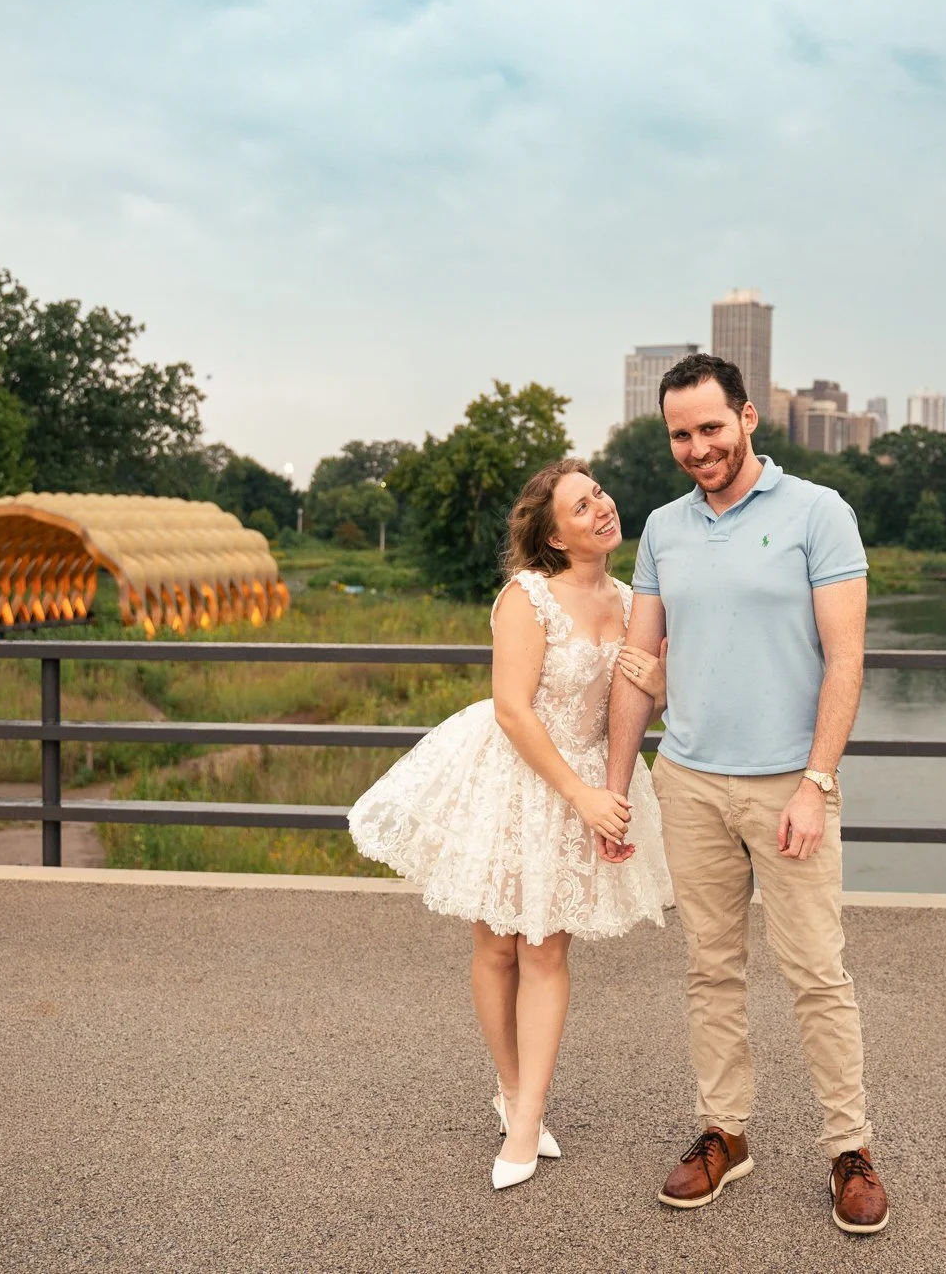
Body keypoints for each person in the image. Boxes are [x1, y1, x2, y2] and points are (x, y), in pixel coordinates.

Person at [606, 354, 890, 1235]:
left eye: (711, 429)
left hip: (787, 785)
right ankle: (725, 1133)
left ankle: (851, 1148)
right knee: (710, 968)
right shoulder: (662, 527)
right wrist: (615, 790)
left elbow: (845, 658)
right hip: (687, 781)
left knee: (815, 972)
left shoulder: (818, 512)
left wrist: (816, 782)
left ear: (749, 417)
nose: (697, 448)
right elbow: (640, 666)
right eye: (681, 435)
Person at [350, 458, 673, 1191]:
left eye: (600, 495)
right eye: (581, 505)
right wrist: (578, 797)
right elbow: (513, 709)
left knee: (546, 948)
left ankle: (528, 1114)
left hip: (587, 780)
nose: (602, 508)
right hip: (515, 777)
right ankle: (507, 1086)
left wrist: (658, 692)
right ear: (554, 536)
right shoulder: (527, 597)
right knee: (496, 945)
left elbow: (642, 698)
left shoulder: (633, 600)